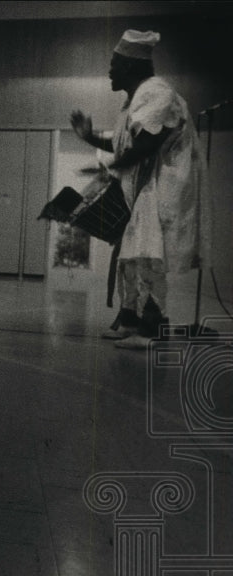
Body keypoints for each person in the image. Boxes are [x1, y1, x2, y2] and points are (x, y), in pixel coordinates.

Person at [70, 29, 210, 349]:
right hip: (144, 187)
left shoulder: (157, 92)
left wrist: (110, 169)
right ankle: (130, 319)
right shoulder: (132, 101)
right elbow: (125, 143)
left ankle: (152, 328)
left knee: (147, 256)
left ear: (131, 66)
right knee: (130, 257)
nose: (109, 70)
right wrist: (90, 137)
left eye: (114, 63)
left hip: (162, 186)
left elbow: (147, 143)